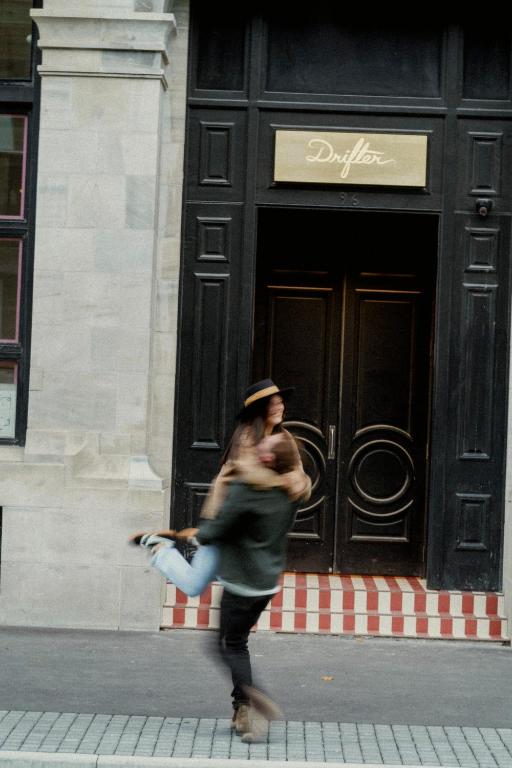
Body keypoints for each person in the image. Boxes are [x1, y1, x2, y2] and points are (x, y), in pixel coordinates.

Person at [130, 379, 311, 597]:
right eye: (272, 403)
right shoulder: (246, 439)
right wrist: (286, 483)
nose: (279, 407)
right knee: (194, 585)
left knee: (235, 584)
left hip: (251, 531)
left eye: (280, 402)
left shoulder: (285, 438)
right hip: (225, 523)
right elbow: (252, 477)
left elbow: (300, 476)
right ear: (259, 409)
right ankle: (160, 549)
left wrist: (299, 482)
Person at [195, 431, 300, 742]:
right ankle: (250, 718)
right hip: (267, 582)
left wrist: (202, 535)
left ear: (268, 458)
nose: (260, 445)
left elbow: (219, 527)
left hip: (241, 581)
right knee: (238, 643)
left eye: (266, 445)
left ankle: (255, 698)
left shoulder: (249, 489)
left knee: (225, 645)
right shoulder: (291, 491)